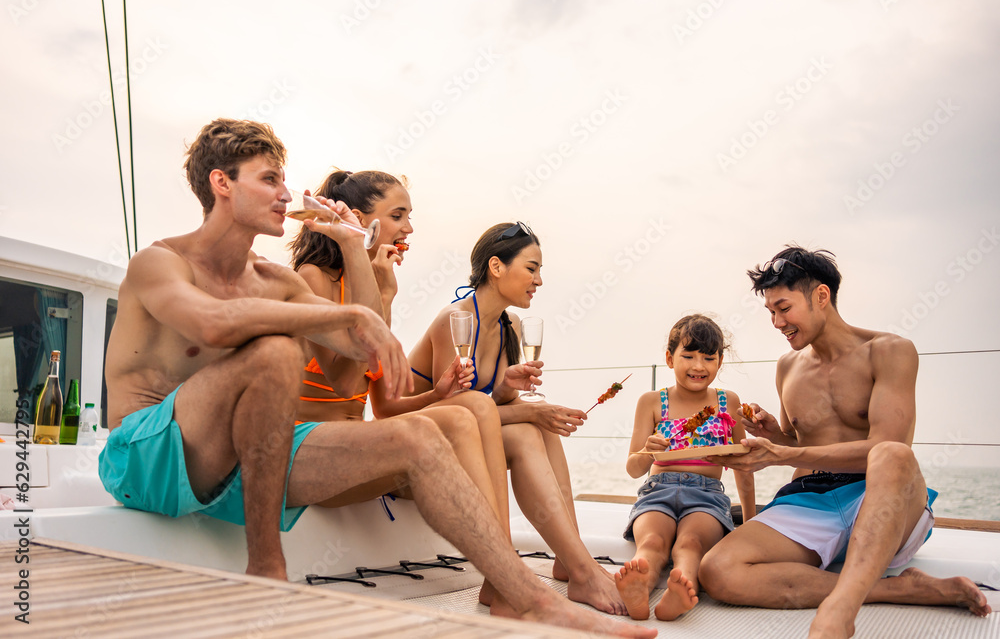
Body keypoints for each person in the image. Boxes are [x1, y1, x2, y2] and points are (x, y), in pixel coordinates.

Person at [98, 118, 655, 638]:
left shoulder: (275, 281)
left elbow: (348, 376)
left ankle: (527, 594)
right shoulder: (160, 262)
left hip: (246, 461)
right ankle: (266, 568)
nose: (287, 196)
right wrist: (348, 314)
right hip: (148, 456)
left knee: (419, 437)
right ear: (222, 183)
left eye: (284, 181)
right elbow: (211, 323)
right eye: (270, 181)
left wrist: (353, 253)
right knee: (272, 352)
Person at [698, 246, 991, 639]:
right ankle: (900, 589)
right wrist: (774, 438)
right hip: (810, 497)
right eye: (770, 312)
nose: (776, 321)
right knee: (717, 570)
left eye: (784, 308)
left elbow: (884, 448)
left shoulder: (889, 352)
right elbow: (803, 447)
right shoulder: (787, 367)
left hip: (880, 497)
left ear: (821, 296)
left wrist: (785, 453)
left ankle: (840, 610)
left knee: (892, 453)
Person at [288, 168, 509, 608]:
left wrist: (438, 393)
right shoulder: (313, 279)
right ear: (360, 221)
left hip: (360, 447)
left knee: (472, 407)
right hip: (314, 456)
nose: (409, 228)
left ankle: (505, 571)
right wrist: (383, 299)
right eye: (398, 215)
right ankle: (504, 574)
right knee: (470, 415)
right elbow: (347, 378)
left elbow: (384, 403)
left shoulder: (365, 282)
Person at [406, 222, 628, 616]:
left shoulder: (508, 326)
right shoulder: (455, 320)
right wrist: (529, 409)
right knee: (528, 430)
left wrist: (510, 388)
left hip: (468, 432)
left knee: (536, 428)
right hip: (420, 440)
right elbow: (454, 411)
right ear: (496, 266)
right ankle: (569, 571)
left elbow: (489, 405)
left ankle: (570, 558)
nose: (539, 280)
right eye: (531, 268)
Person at [615, 314, 755, 621]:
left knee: (691, 543)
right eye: (688, 356)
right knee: (652, 541)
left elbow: (744, 464)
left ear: (719, 362)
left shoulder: (727, 402)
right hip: (657, 491)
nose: (698, 366)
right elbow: (633, 468)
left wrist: (751, 520)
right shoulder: (652, 401)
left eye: (709, 358)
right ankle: (639, 586)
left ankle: (682, 588)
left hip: (706, 496)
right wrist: (647, 451)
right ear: (669, 358)